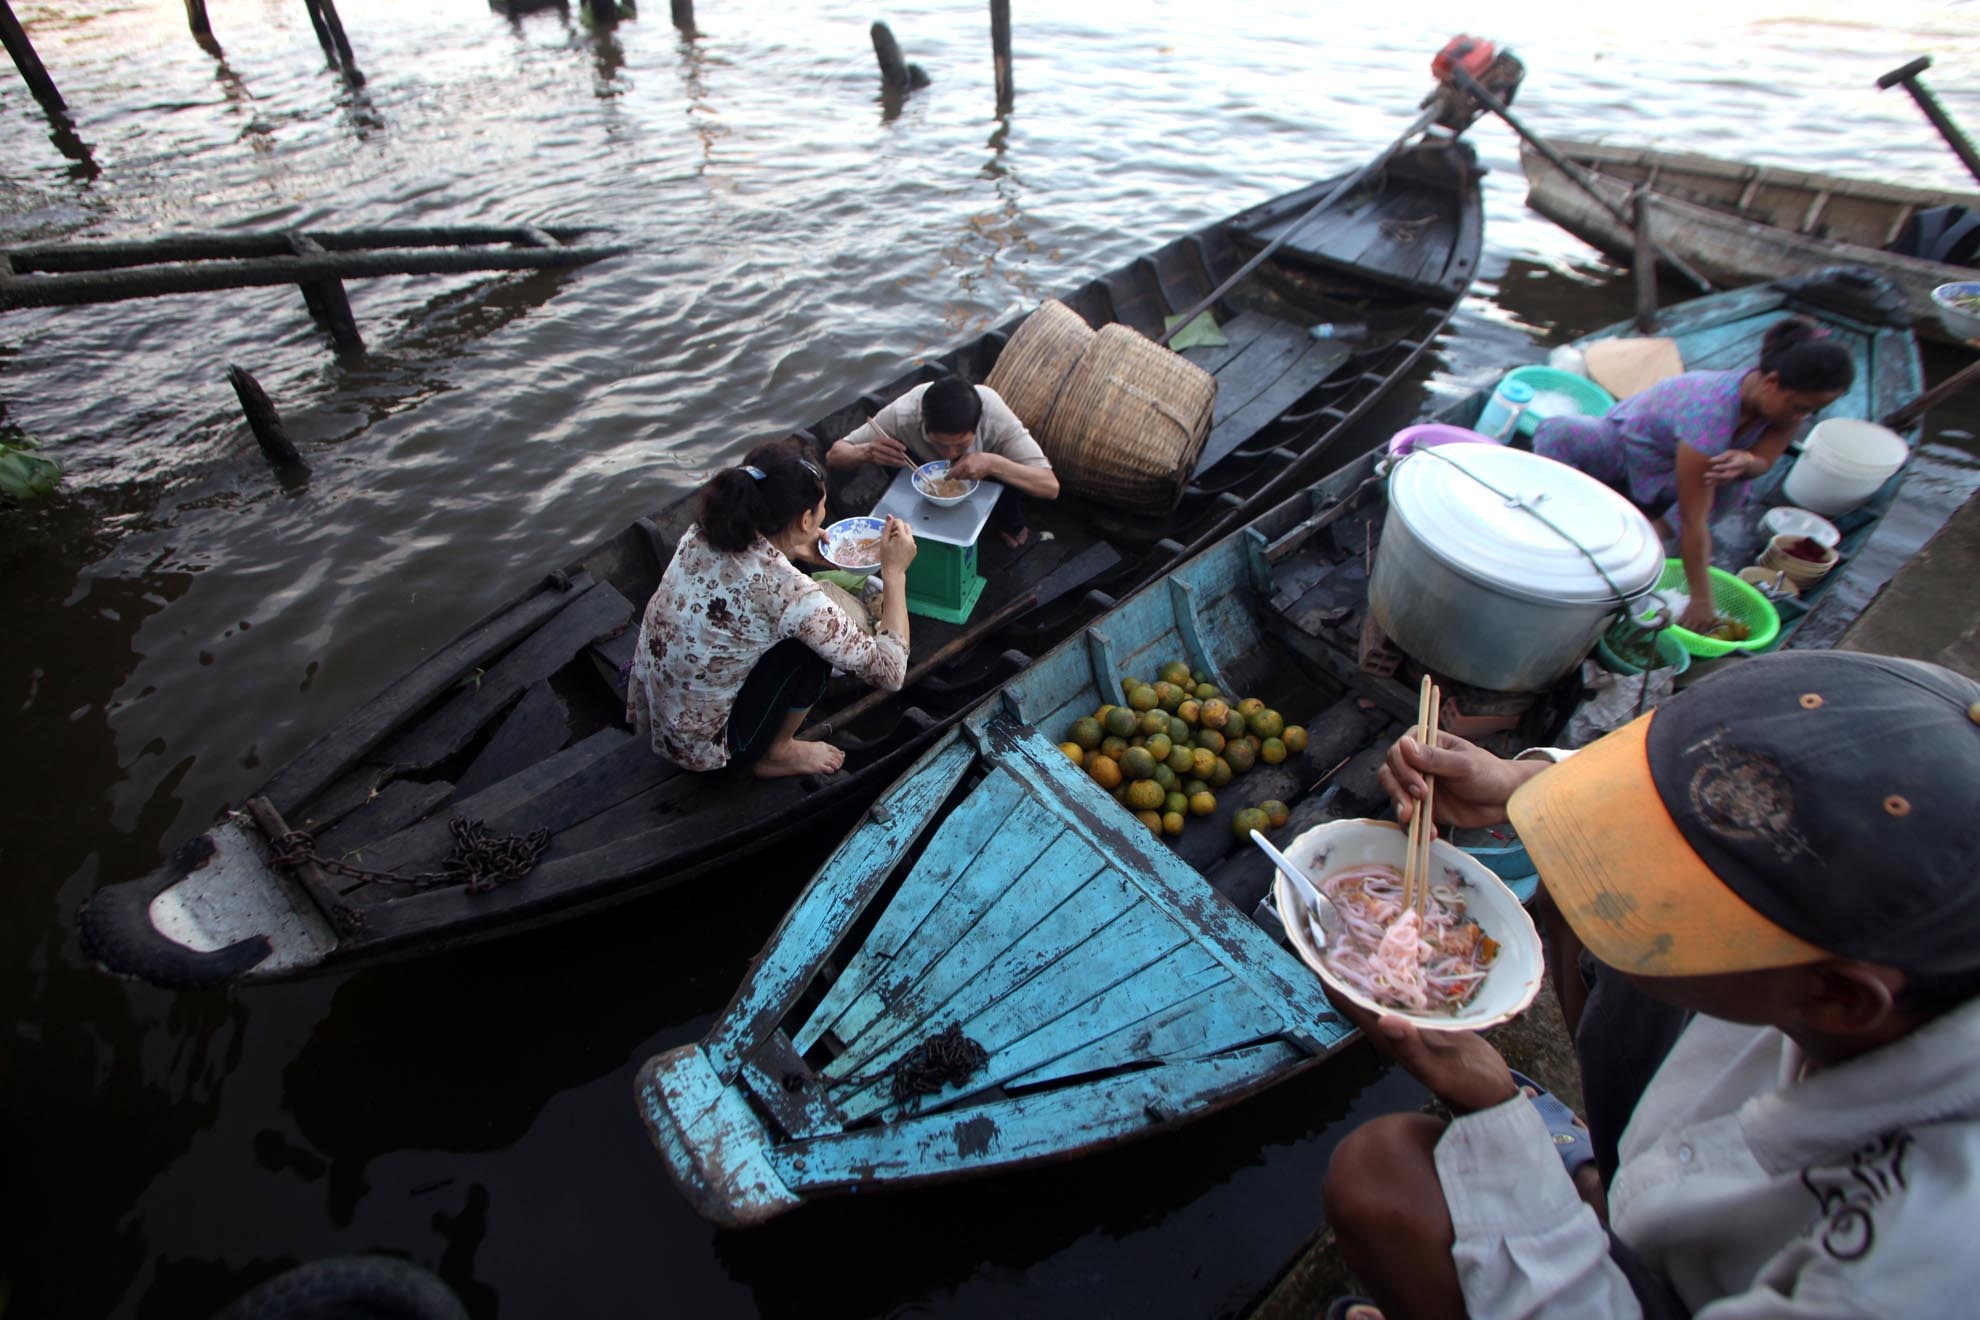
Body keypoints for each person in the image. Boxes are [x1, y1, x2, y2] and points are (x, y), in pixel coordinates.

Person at [1321, 649, 1980, 1320]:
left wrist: (1494, 1105)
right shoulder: (1876, 958)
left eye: (1669, 892)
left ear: (1839, 998)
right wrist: (1522, 785)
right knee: (1573, 895)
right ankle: (1611, 1177)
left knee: (1384, 1179)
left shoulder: (1915, 1262)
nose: (1620, 877)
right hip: (1692, 1149)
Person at [1532, 319, 1853, 632]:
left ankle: (1647, 536)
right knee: (1561, 432)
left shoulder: (1785, 407)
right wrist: (1701, 599)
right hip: (1624, 456)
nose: (1801, 416)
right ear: (1772, 382)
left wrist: (1748, 460)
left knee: (1732, 485)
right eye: (1799, 407)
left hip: (1672, 477)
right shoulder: (1710, 409)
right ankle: (1554, 517)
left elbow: (1765, 460)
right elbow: (1693, 520)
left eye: (1810, 411)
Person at [626, 440, 916, 779]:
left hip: (664, 720)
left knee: (798, 630)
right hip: (709, 751)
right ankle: (776, 753)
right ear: (806, 520)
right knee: (809, 653)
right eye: (821, 508)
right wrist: (894, 574)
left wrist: (792, 550)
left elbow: (749, 578)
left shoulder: (703, 533)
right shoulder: (791, 594)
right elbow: (890, 673)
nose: (823, 514)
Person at [825, 376, 1060, 547]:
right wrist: (866, 452)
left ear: (977, 426)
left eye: (960, 445)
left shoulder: (995, 417)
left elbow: (1050, 487)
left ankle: (1002, 519)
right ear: (922, 423)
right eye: (939, 443)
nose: (949, 454)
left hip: (987, 471)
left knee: (1013, 512)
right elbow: (835, 455)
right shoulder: (903, 415)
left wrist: (992, 463)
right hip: (918, 473)